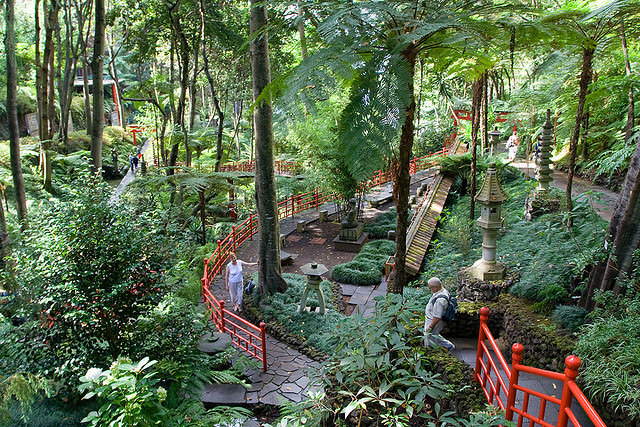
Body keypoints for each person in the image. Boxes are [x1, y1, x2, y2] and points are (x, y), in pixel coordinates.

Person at [424, 277, 455, 351]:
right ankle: (449, 345)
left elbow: (437, 317)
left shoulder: (440, 300)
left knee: (430, 338)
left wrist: (430, 327)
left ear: (435, 287)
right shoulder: (443, 291)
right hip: (432, 319)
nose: (430, 289)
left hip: (433, 321)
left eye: (430, 288)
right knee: (435, 335)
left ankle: (430, 351)